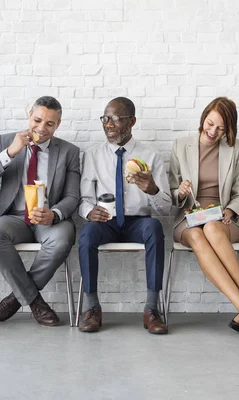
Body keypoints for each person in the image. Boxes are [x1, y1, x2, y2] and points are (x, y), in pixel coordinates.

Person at [0, 96, 80, 327]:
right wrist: (10, 152)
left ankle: (17, 298)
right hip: (14, 217)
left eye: (50, 124)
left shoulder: (69, 152)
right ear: (29, 114)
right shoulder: (7, 142)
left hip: (49, 219)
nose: (41, 128)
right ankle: (35, 302)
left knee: (63, 239)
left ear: (58, 124)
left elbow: (73, 197)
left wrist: (54, 213)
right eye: (37, 120)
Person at [170, 97, 239, 337]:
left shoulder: (236, 148)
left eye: (221, 128)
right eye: (210, 124)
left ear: (229, 129)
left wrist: (230, 211)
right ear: (203, 119)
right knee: (199, 235)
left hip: (223, 219)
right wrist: (179, 192)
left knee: (211, 228)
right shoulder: (181, 145)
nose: (213, 132)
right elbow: (171, 194)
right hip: (189, 219)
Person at [78, 97, 170, 334]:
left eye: (115, 119)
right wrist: (90, 212)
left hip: (137, 222)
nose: (108, 124)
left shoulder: (151, 156)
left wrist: (153, 190)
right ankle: (92, 308)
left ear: (132, 121)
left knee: (155, 227)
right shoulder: (93, 155)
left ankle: (151, 309)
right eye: (105, 118)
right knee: (87, 233)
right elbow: (84, 199)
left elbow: (165, 208)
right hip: (105, 221)